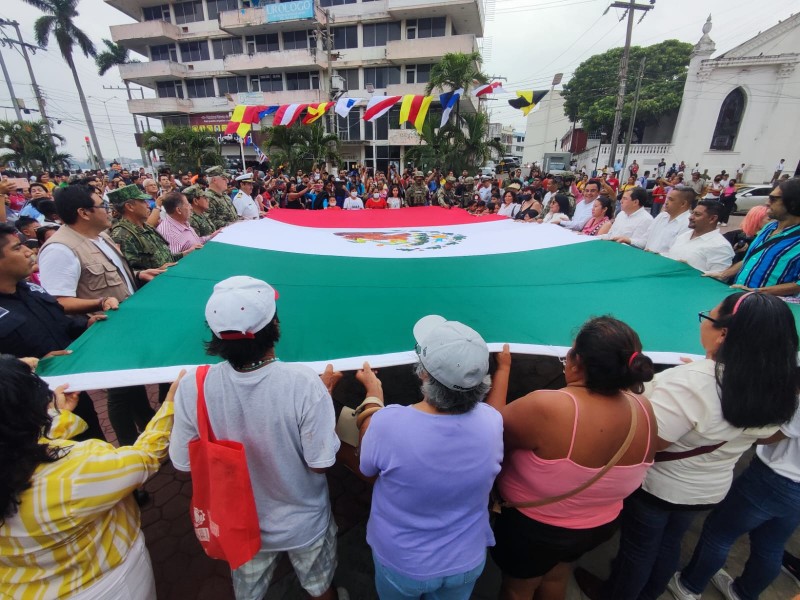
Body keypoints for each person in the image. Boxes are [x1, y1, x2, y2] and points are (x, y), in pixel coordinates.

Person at [581, 292, 798, 600]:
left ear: (724, 333)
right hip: (707, 488)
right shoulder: (779, 387)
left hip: (660, 486)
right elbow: (765, 434)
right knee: (670, 542)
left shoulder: (692, 382)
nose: (703, 324)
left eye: (707, 318)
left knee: (639, 549)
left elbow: (649, 443)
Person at [169, 276, 342, 600]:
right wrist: (324, 397)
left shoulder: (194, 385)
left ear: (216, 333)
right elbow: (320, 464)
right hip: (303, 523)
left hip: (239, 525)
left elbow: (182, 462)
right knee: (320, 588)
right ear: (274, 324)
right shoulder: (303, 383)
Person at [490, 316, 658, 600]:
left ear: (575, 360)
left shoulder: (551, 407)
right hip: (597, 525)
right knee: (557, 573)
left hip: (536, 529)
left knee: (519, 588)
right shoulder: (643, 408)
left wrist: (503, 370)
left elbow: (490, 429)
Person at [0, 355, 182, 599]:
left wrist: (57, 416)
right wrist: (171, 404)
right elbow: (144, 458)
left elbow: (18, 444)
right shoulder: (75, 469)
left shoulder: (15, 458)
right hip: (105, 584)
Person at [355, 315, 503, 600]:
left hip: (403, 564)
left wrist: (373, 395)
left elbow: (366, 467)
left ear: (424, 373)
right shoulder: (492, 421)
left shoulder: (389, 423)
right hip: (467, 560)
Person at [37, 184, 163, 451]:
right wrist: (99, 302)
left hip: (125, 326)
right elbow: (57, 302)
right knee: (119, 392)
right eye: (101, 206)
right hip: (103, 331)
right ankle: (129, 451)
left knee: (133, 384)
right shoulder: (60, 249)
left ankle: (148, 434)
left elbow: (114, 276)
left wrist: (141, 274)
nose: (108, 211)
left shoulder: (100, 237)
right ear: (83, 212)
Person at [669, 391, 800, 600]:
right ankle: (743, 594)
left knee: (720, 532)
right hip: (794, 490)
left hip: (774, 478)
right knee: (771, 545)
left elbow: (768, 436)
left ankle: (689, 586)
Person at [0, 222, 105, 440]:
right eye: (17, 248)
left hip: (70, 391)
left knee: (92, 442)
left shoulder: (30, 289)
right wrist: (27, 364)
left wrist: (86, 324)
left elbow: (61, 323)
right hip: (30, 413)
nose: (29, 252)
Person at [706, 178, 800, 295]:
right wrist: (722, 274)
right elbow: (750, 260)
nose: (767, 202)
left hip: (768, 308)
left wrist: (757, 292)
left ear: (793, 203)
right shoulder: (769, 227)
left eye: (773, 199)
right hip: (739, 298)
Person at [110, 185, 191, 272]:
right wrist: (156, 271)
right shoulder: (122, 235)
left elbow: (162, 257)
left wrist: (184, 254)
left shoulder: (146, 227)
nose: (148, 205)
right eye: (143, 201)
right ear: (130, 207)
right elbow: (129, 274)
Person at [614, 186, 692, 254]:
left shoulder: (688, 224)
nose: (666, 202)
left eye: (671, 199)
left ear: (683, 204)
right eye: (667, 198)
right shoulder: (662, 216)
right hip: (648, 258)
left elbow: (676, 253)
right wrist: (628, 240)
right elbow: (645, 241)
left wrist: (656, 254)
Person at [664, 200, 734, 272]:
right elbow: (671, 256)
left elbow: (718, 278)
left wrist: (690, 270)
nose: (690, 217)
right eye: (692, 213)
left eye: (697, 214)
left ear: (712, 219)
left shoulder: (720, 246)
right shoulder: (684, 235)